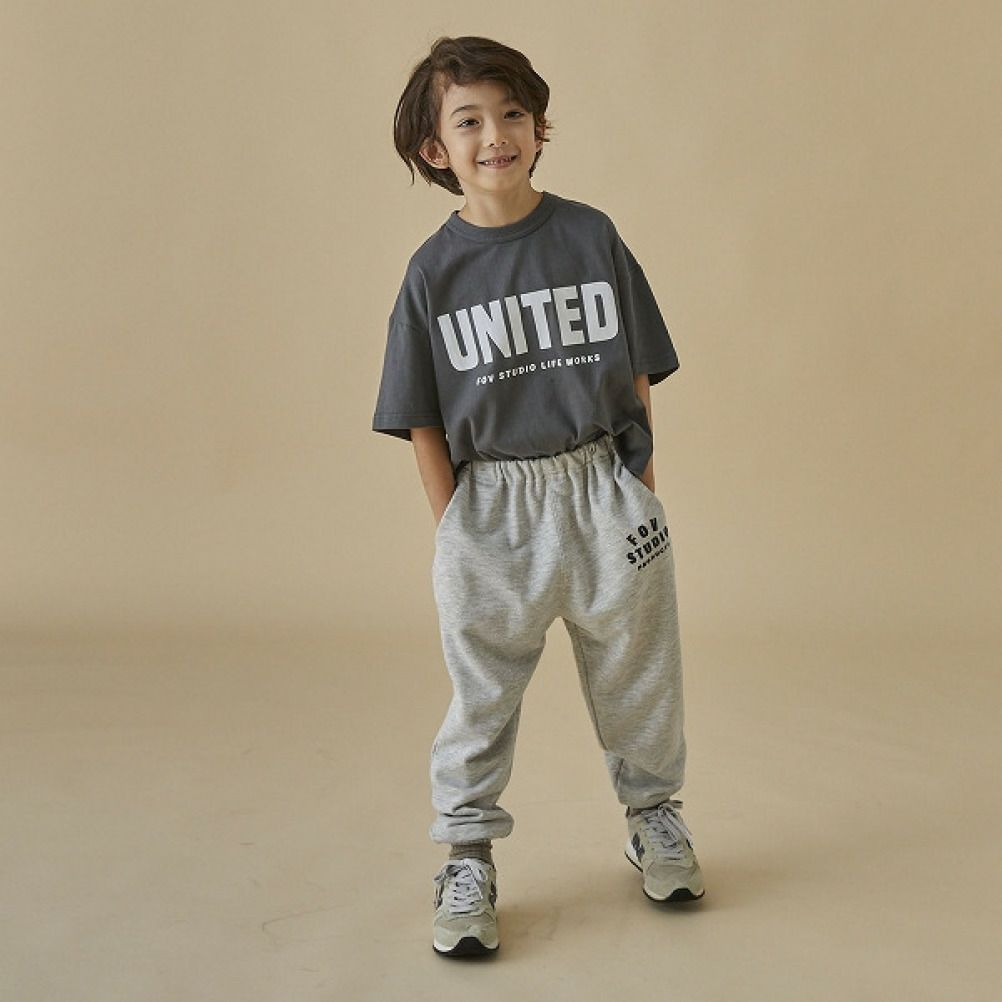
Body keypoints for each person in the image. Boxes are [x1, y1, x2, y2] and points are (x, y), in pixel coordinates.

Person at [372, 35, 705, 958]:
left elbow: (638, 373)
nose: (496, 136)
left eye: (512, 114)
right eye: (469, 121)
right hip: (493, 506)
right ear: (436, 148)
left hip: (602, 488)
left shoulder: (590, 235)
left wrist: (639, 490)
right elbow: (421, 418)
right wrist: (454, 528)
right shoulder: (433, 273)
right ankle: (467, 854)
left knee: (640, 668)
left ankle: (655, 816)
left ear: (538, 125)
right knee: (481, 695)